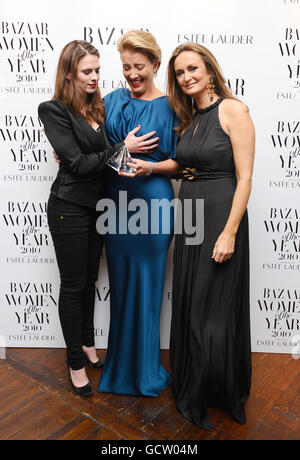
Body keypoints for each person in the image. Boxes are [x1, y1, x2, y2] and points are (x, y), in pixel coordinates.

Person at [38, 40, 157, 398]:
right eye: (87, 72)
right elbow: (77, 163)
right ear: (70, 74)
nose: (94, 78)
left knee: (90, 280)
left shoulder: (99, 107)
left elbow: (100, 160)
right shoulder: (54, 110)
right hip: (68, 207)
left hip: (99, 208)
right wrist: (123, 149)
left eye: (97, 71)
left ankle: (89, 346)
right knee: (73, 286)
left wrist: (127, 157)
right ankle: (75, 362)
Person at [167, 43, 255, 429]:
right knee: (191, 301)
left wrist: (230, 232)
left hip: (221, 214)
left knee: (212, 307)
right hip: (189, 214)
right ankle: (194, 386)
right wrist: (146, 168)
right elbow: (184, 166)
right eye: (180, 73)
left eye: (192, 69)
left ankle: (217, 390)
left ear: (209, 70)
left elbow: (245, 177)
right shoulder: (190, 118)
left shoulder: (233, 110)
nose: (187, 77)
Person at [97, 30, 179, 397]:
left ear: (156, 65)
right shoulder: (111, 100)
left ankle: (146, 372)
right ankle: (118, 370)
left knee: (147, 286)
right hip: (116, 203)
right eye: (127, 67)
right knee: (121, 285)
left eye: (140, 67)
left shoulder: (172, 108)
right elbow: (96, 151)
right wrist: (68, 150)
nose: (132, 74)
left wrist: (150, 168)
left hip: (154, 204)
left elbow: (183, 164)